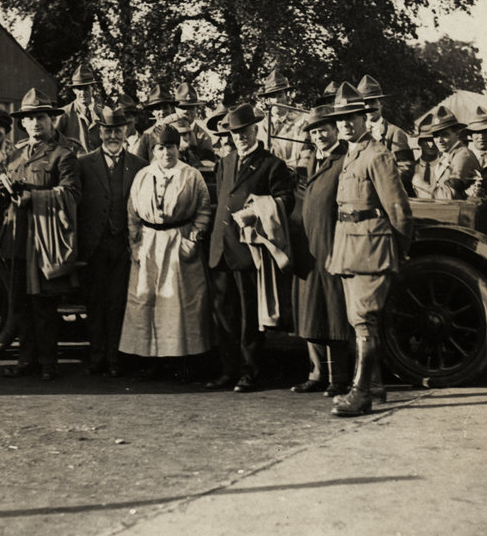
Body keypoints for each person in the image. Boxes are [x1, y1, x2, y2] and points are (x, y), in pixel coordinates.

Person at [325, 82, 413, 416]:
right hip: (348, 246)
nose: (346, 124)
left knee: (363, 321)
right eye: (341, 119)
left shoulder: (377, 154)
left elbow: (399, 210)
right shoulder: (351, 153)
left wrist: (400, 250)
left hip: (372, 247)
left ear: (364, 118)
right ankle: (375, 386)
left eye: (352, 117)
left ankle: (361, 394)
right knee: (359, 321)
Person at [207, 102, 295, 392]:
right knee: (223, 313)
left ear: (255, 129)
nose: (240, 137)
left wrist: (256, 212)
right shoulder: (225, 162)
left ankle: (250, 371)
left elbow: (285, 200)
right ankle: (228, 370)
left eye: (244, 131)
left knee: (248, 314)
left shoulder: (271, 164)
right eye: (235, 133)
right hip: (221, 248)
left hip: (248, 250)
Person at [0, 89, 78, 381]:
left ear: (51, 121)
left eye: (40, 118)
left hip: (45, 240)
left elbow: (71, 194)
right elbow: (1, 198)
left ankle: (48, 363)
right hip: (17, 238)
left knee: (44, 305)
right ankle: (25, 361)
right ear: (22, 123)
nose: (35, 124)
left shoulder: (63, 156)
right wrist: (2, 188)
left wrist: (33, 197)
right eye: (29, 118)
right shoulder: (14, 155)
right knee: (19, 304)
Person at [119, 125, 213, 373]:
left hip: (178, 243)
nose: (166, 153)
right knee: (147, 302)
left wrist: (192, 241)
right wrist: (135, 244)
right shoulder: (143, 175)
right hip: (149, 244)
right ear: (153, 150)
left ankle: (181, 363)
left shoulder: (191, 175)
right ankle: (150, 361)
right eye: (160, 148)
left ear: (178, 148)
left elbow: (203, 211)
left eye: (170, 147)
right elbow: (132, 214)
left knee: (179, 305)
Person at [74, 106, 147, 377]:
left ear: (126, 131)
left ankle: (115, 359)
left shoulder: (140, 166)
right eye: (107, 130)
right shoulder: (83, 163)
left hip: (123, 245)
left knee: (118, 303)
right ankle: (96, 357)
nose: (112, 135)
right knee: (94, 302)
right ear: (99, 133)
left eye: (117, 129)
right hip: (93, 244)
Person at [289, 107, 353, 396]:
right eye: (315, 132)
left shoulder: (345, 160)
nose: (320, 135)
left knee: (334, 313)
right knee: (310, 312)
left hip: (332, 245)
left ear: (336, 130)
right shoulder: (313, 161)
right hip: (310, 247)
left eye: (324, 129)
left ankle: (339, 378)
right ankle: (317, 374)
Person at [357, 74, 415, 187]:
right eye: (365, 103)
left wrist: (383, 186)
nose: (369, 107)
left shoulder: (394, 133)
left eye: (373, 101)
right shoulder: (356, 133)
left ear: (381, 103)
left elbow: (406, 169)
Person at [257, 68, 308, 170]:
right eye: (272, 96)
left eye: (280, 95)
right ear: (267, 100)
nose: (276, 100)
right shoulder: (259, 126)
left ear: (287, 96)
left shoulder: (302, 121)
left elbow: (307, 154)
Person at [426, 106, 480, 199]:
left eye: (444, 135)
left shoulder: (462, 156)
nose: (439, 140)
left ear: (457, 134)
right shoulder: (445, 156)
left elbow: (449, 195)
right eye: (436, 136)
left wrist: (422, 186)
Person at [56, 62, 100, 150]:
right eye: (79, 88)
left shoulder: (102, 113)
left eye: (86, 88)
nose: (83, 93)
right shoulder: (64, 114)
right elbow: (52, 142)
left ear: (93, 88)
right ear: (74, 90)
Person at [464, 106, 487, 197]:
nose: (481, 136)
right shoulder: (464, 157)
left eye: (486, 131)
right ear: (470, 135)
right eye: (476, 132)